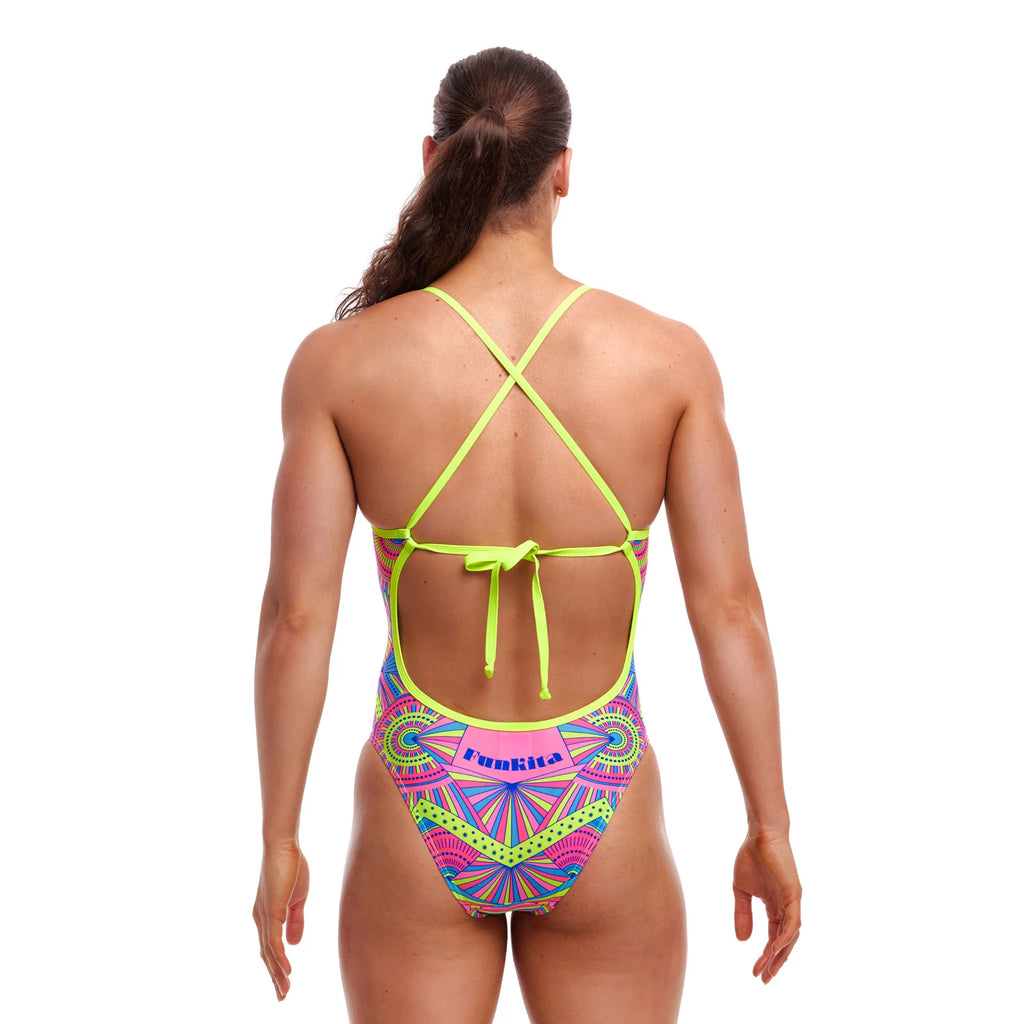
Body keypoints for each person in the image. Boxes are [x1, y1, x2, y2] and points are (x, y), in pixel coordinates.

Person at [252, 45, 800, 1024]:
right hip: (598, 783)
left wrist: (278, 836)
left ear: (432, 159)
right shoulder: (668, 361)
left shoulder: (340, 365)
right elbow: (730, 610)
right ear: (564, 170)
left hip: (422, 787)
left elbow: (297, 619)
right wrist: (770, 826)